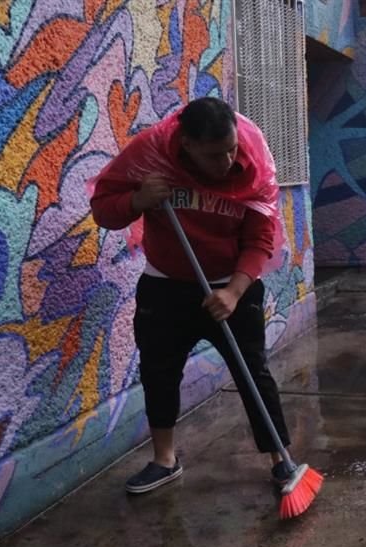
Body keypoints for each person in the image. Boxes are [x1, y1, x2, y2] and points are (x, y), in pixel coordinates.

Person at [90, 97, 299, 494]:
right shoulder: (151, 155)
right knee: (159, 369)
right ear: (186, 144)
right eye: (214, 155)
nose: (226, 162)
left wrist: (235, 291)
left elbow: (260, 237)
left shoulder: (253, 162)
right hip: (166, 283)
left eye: (231, 150)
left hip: (233, 283)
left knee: (252, 370)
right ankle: (164, 460)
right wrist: (138, 200)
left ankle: (279, 458)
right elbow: (104, 209)